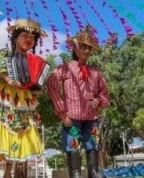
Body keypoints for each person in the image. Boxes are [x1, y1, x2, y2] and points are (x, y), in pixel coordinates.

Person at [0, 19, 48, 178]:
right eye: (25, 35)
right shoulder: (5, 53)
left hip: (23, 100)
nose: (29, 39)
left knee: (18, 133)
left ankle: (8, 173)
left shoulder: (32, 60)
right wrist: (8, 79)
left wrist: (36, 90)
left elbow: (35, 81)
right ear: (15, 37)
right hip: (3, 96)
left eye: (32, 38)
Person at [47, 28, 110, 178]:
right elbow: (51, 85)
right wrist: (62, 112)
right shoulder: (65, 67)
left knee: (93, 143)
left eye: (89, 48)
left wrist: (99, 100)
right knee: (72, 144)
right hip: (71, 117)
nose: (87, 50)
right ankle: (75, 174)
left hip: (92, 118)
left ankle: (93, 172)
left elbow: (105, 92)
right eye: (83, 46)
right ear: (75, 48)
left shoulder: (96, 72)